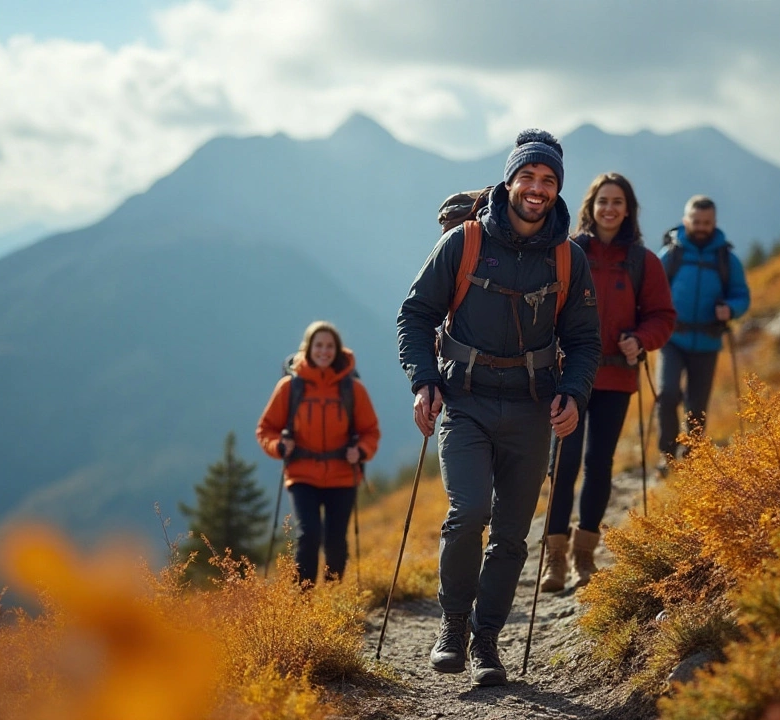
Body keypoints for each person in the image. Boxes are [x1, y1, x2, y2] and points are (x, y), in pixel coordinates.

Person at [396, 129, 601, 687]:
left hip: (534, 409)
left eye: (548, 181)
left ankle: (487, 643)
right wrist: (423, 381)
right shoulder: (462, 243)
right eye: (528, 177)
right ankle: (454, 627)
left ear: (558, 190)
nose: (537, 189)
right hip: (465, 402)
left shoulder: (568, 258)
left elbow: (585, 340)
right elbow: (414, 316)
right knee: (469, 513)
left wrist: (575, 392)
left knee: (512, 532)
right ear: (509, 181)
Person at [541, 173, 675, 593]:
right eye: (603, 201)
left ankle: (585, 555)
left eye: (618, 201)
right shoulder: (567, 251)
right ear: (591, 206)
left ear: (628, 208)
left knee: (599, 465)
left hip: (616, 376)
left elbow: (662, 316)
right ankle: (555, 560)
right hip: (567, 376)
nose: (610, 208)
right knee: (562, 465)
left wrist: (641, 339)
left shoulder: (642, 261)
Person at [256, 321, 380, 586]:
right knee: (308, 535)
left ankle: (332, 599)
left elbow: (371, 431)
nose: (324, 351)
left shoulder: (353, 389)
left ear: (337, 350)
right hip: (302, 475)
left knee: (336, 541)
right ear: (308, 349)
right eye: (319, 345)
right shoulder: (290, 388)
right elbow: (266, 429)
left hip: (343, 476)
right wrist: (278, 446)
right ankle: (303, 603)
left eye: (329, 346)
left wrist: (360, 451)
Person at [655, 195, 750, 473]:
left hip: (708, 341)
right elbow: (652, 291)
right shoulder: (671, 254)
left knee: (697, 406)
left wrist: (730, 309)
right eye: (696, 221)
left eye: (706, 222)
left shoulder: (727, 259)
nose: (701, 227)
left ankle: (694, 457)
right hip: (672, 338)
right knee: (667, 394)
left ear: (714, 222)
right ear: (686, 221)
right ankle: (668, 455)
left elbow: (741, 295)